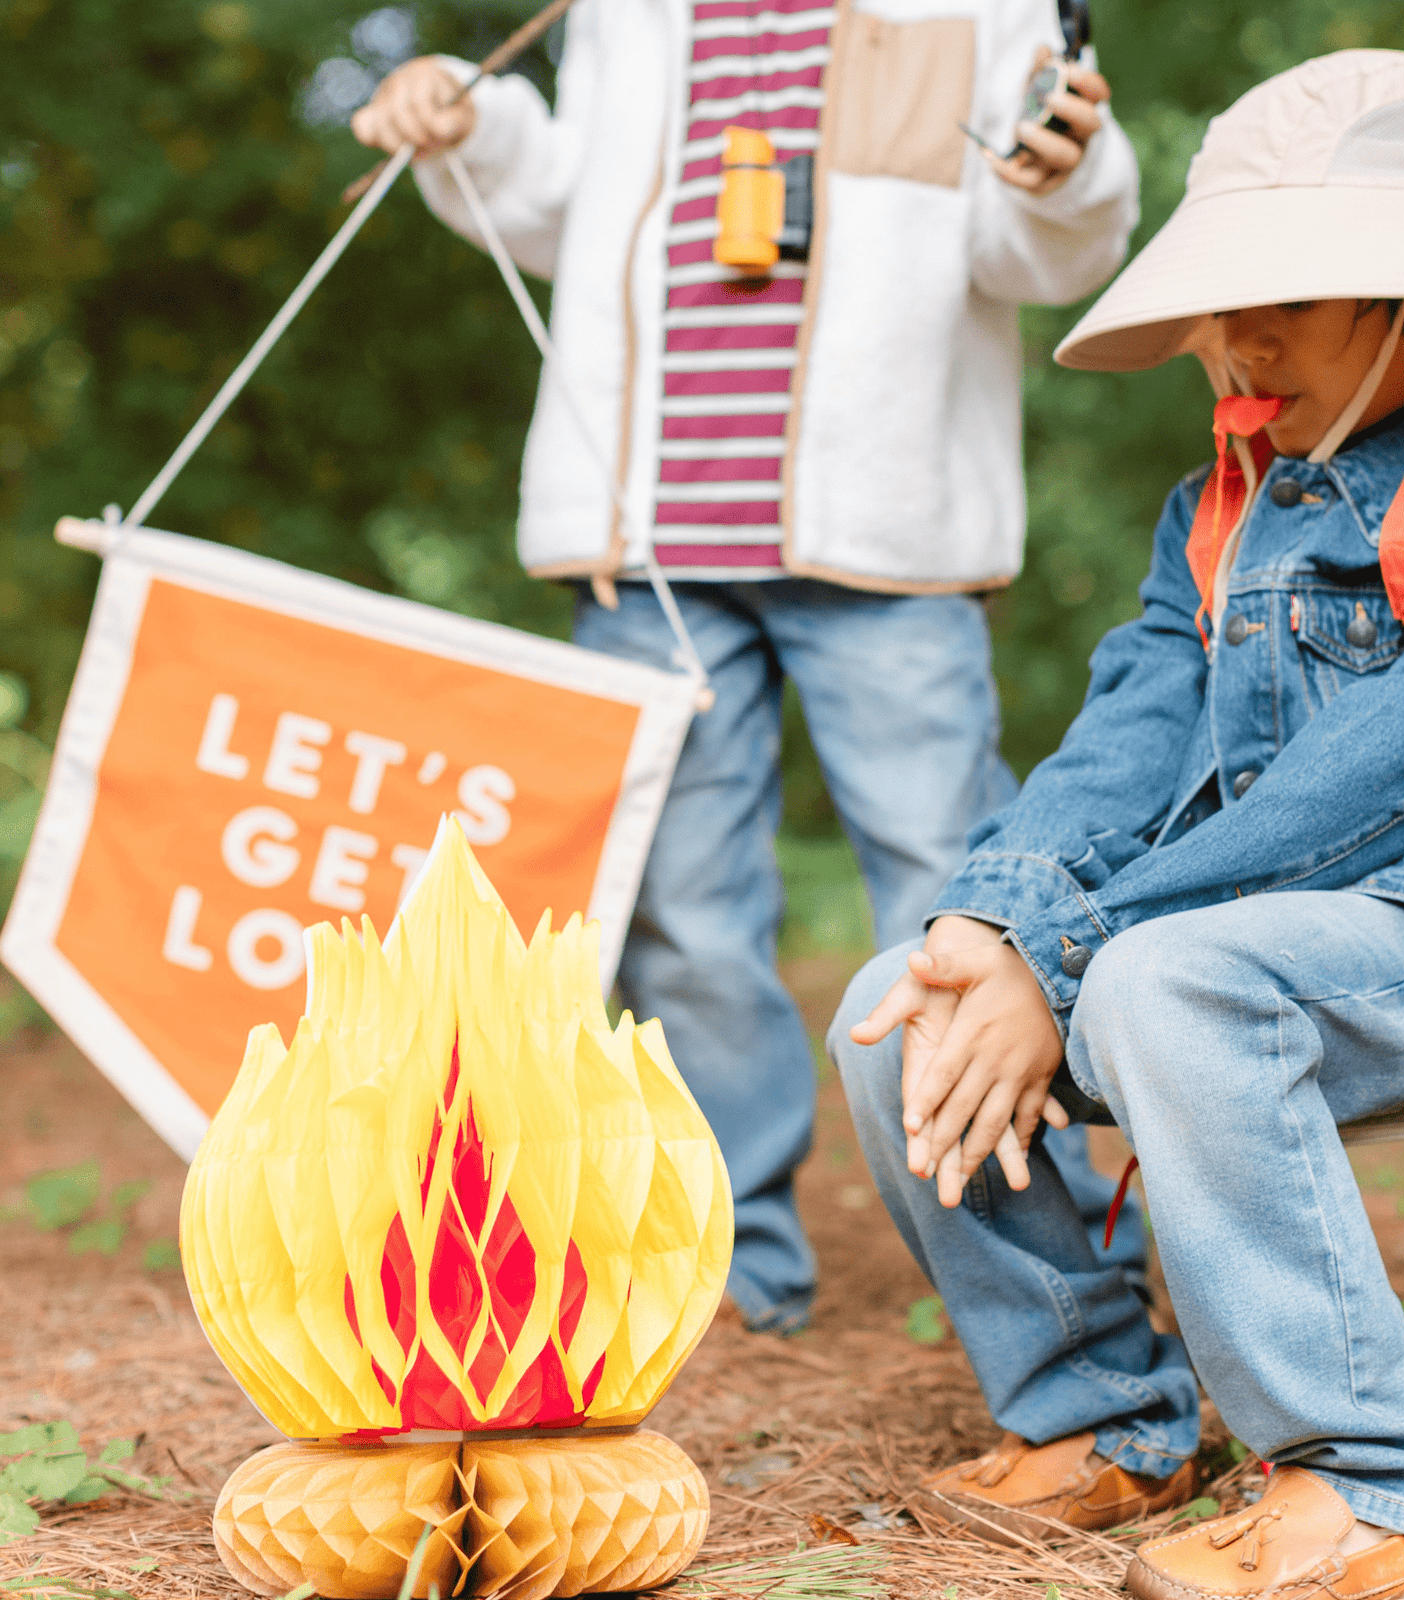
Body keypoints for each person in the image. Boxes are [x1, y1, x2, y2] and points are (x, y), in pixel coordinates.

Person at [830, 48, 1404, 1600]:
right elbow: (1123, 743)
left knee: (1160, 982)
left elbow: (1377, 777)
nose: (1236, 340)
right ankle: (1105, 1416)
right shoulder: (1223, 504)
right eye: (1222, 302)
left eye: (1290, 298)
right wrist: (992, 925)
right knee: (891, 1001)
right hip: (1271, 930)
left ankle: (1387, 1480)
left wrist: (1078, 949)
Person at [351, 2, 1143, 1333]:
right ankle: (724, 1264)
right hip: (643, 548)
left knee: (959, 908)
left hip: (892, 547)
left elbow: (1039, 252)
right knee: (684, 922)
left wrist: (1074, 173)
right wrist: (468, 124)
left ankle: (1038, 1267)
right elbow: (555, 212)